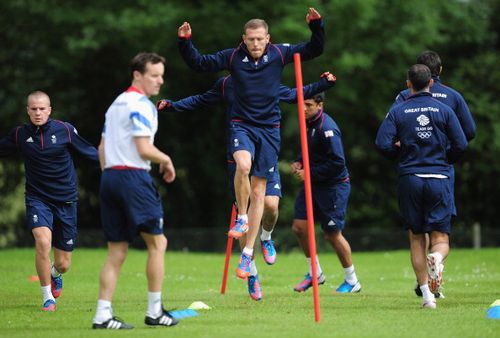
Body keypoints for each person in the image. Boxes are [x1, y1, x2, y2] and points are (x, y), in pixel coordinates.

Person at [157, 72, 337, 300]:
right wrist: (173, 106)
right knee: (244, 218)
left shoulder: (268, 80)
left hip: (266, 151)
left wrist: (323, 84)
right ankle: (251, 274)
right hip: (241, 152)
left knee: (271, 206)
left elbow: (294, 94)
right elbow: (202, 99)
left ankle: (266, 236)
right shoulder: (227, 84)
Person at [177, 8, 325, 281]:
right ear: (243, 39)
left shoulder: (279, 53)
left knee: (263, 197)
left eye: (260, 39)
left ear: (268, 38)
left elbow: (315, 49)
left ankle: (251, 251)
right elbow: (199, 63)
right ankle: (242, 218)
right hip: (241, 125)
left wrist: (316, 26)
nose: (255, 44)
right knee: (242, 165)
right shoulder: (232, 57)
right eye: (251, 39)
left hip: (269, 130)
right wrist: (185, 43)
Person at [92, 52, 178, 329]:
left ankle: (102, 315)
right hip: (133, 178)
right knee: (158, 243)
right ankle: (155, 312)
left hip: (109, 178)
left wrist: (110, 177)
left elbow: (102, 149)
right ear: (137, 75)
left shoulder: (115, 104)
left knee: (116, 251)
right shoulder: (142, 105)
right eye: (154, 75)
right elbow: (143, 148)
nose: (159, 81)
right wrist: (165, 159)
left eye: (161, 75)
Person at [376, 64, 467, 308]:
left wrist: (400, 152)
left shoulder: (399, 110)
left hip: (410, 178)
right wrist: (443, 159)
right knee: (440, 237)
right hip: (439, 178)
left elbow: (382, 143)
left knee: (416, 238)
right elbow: (461, 144)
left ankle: (427, 297)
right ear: (430, 83)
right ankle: (437, 257)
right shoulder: (445, 109)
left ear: (408, 84)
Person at [0, 91, 99, 311]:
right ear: (27, 110)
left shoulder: (65, 130)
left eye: (42, 108)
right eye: (33, 109)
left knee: (64, 264)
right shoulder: (19, 135)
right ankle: (47, 298)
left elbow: (90, 153)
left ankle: (55, 274)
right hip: (38, 199)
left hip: (66, 200)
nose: (37, 113)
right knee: (43, 242)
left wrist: (114, 163)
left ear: (49, 110)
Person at [394, 50, 476, 298]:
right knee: (439, 231)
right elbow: (468, 133)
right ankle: (436, 271)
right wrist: (446, 156)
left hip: (412, 170)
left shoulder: (403, 98)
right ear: (437, 72)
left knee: (417, 233)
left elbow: (391, 132)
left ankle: (426, 289)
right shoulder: (453, 97)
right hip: (442, 171)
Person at [290, 92, 361, 294]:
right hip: (313, 184)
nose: (303, 108)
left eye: (309, 104)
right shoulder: (307, 122)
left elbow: (338, 163)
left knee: (331, 235)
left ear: (320, 105)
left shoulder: (327, 128)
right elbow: (309, 151)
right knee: (299, 227)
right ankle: (315, 273)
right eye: (301, 104)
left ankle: (352, 280)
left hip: (333, 187)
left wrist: (309, 172)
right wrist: (299, 162)